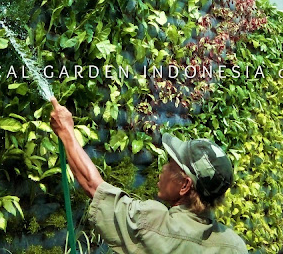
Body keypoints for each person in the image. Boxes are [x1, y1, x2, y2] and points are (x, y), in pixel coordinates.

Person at [49, 97, 248, 254]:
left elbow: (94, 186)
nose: (163, 169)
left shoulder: (155, 226)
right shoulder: (235, 246)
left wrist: (66, 131)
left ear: (185, 186)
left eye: (171, 165)